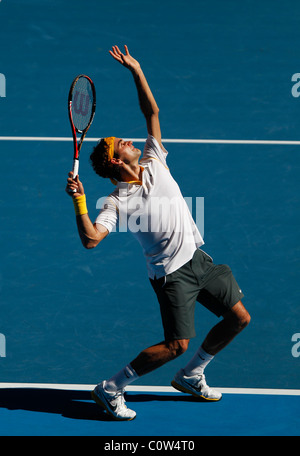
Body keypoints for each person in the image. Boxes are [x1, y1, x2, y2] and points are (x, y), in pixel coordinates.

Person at [65, 45, 251, 421]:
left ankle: (191, 375)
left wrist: (136, 70)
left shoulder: (154, 159)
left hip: (198, 259)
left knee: (238, 318)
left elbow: (151, 111)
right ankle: (111, 387)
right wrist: (80, 202)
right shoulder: (116, 202)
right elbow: (90, 239)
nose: (131, 141)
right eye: (123, 144)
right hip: (172, 277)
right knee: (175, 344)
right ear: (118, 160)